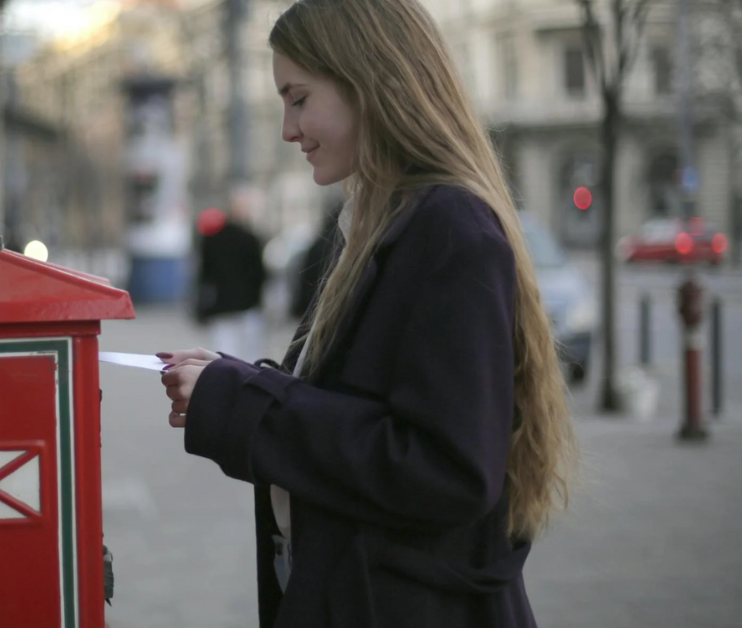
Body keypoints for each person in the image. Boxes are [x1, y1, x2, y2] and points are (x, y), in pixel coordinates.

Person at [157, 1, 578, 626]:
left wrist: (244, 405)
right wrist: (237, 382)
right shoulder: (384, 223)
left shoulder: (449, 229)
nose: (287, 129)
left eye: (298, 98)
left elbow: (449, 469)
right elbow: (366, 409)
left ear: (367, 82)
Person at [193, 186, 269, 362]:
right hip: (247, 307)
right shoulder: (251, 239)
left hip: (222, 307)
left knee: (223, 357)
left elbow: (204, 275)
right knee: (250, 360)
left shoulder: (212, 239)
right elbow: (260, 275)